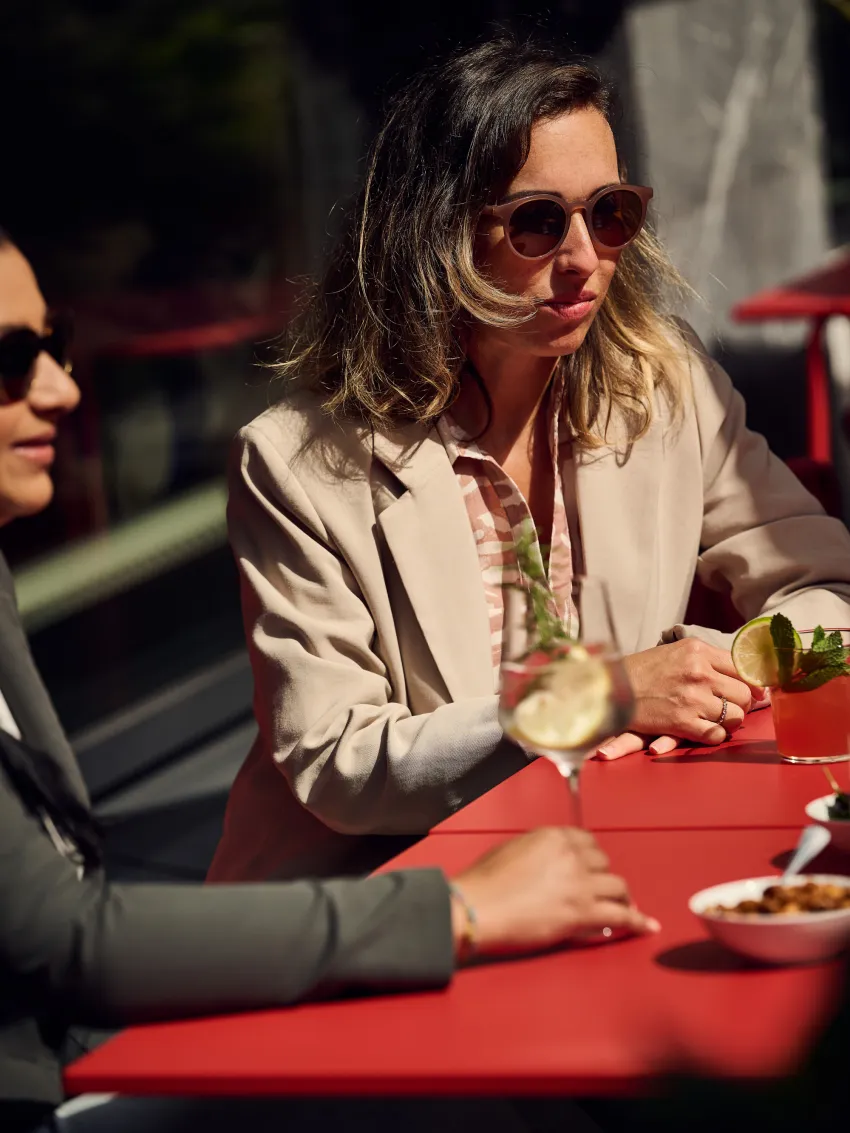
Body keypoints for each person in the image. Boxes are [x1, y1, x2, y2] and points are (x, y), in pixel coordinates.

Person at [0, 231, 658, 1132]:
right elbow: (67, 937)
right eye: (11, 360)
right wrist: (459, 910)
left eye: (56, 343)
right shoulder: (300, 454)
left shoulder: (659, 388)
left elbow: (800, 556)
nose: (62, 389)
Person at [207, 32, 850, 886]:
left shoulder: (663, 382)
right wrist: (600, 699)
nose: (585, 259)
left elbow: (828, 588)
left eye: (610, 213)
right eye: (539, 222)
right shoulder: (296, 463)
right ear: (436, 232)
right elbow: (338, 763)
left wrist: (721, 665)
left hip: (613, 848)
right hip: (391, 896)